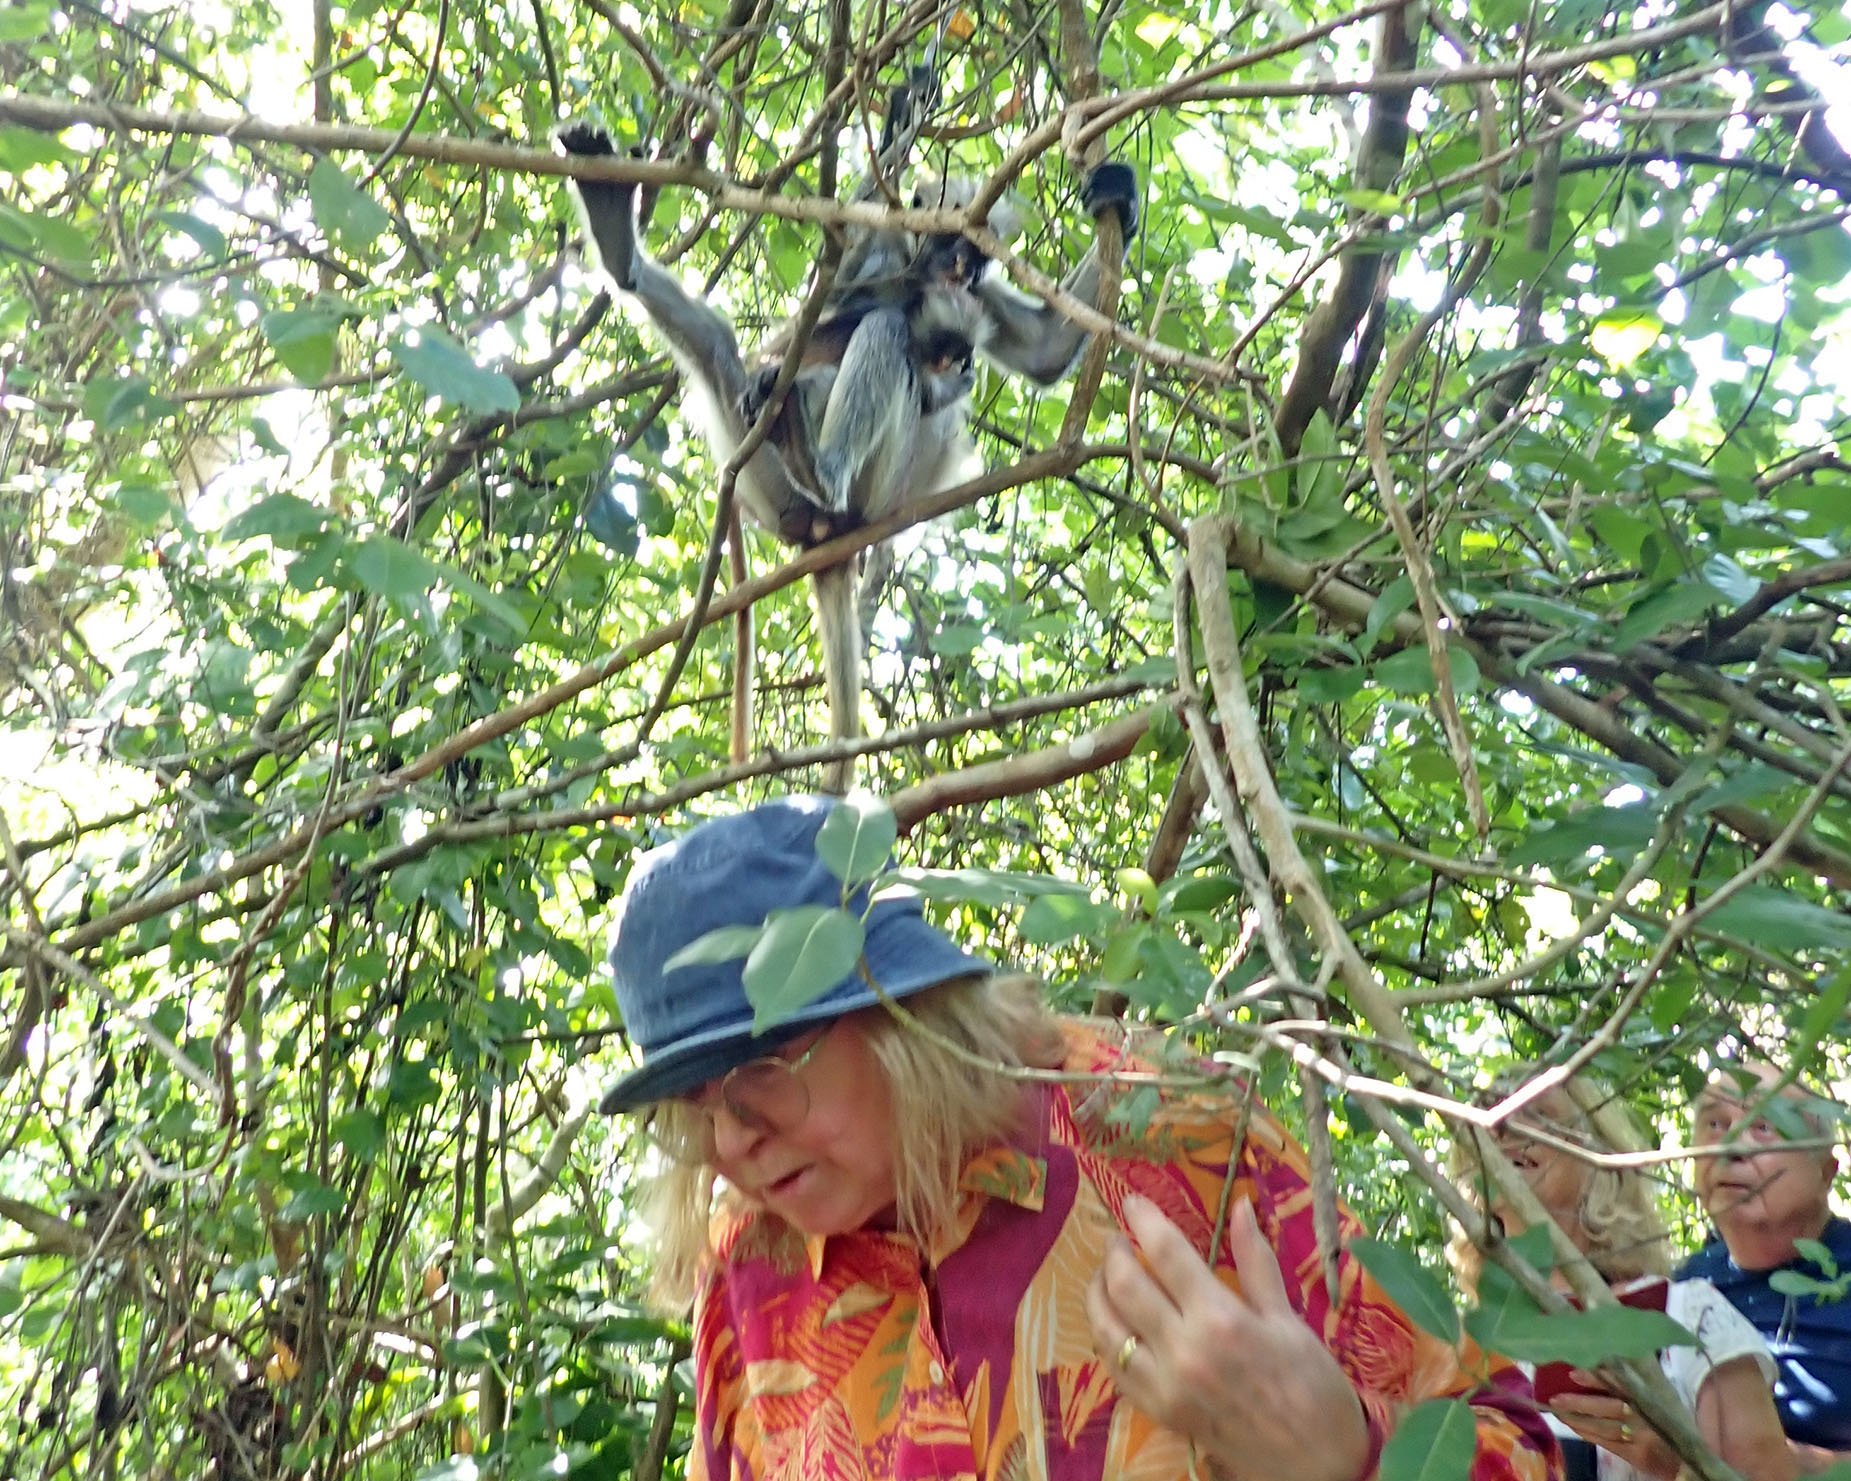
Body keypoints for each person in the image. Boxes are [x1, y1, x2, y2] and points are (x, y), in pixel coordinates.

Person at [596, 794, 1560, 1481]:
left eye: (764, 1068)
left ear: (900, 1012)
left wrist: (1339, 1455)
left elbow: (1514, 1446)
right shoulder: (751, 1270)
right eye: (693, 1104)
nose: (732, 1136)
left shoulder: (1169, 1141)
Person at [1453, 1073, 1794, 1481]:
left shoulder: (1689, 1315)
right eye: (1492, 1122)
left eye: (1537, 1116)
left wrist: (1674, 1464)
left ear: (1600, 1160)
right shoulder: (1456, 1349)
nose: (1506, 1131)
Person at [1681, 1062, 1851, 1468]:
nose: (1731, 1148)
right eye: (1716, 1125)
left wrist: (1784, 1463)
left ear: (1825, 1172)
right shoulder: (1687, 1285)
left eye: (1764, 1127)